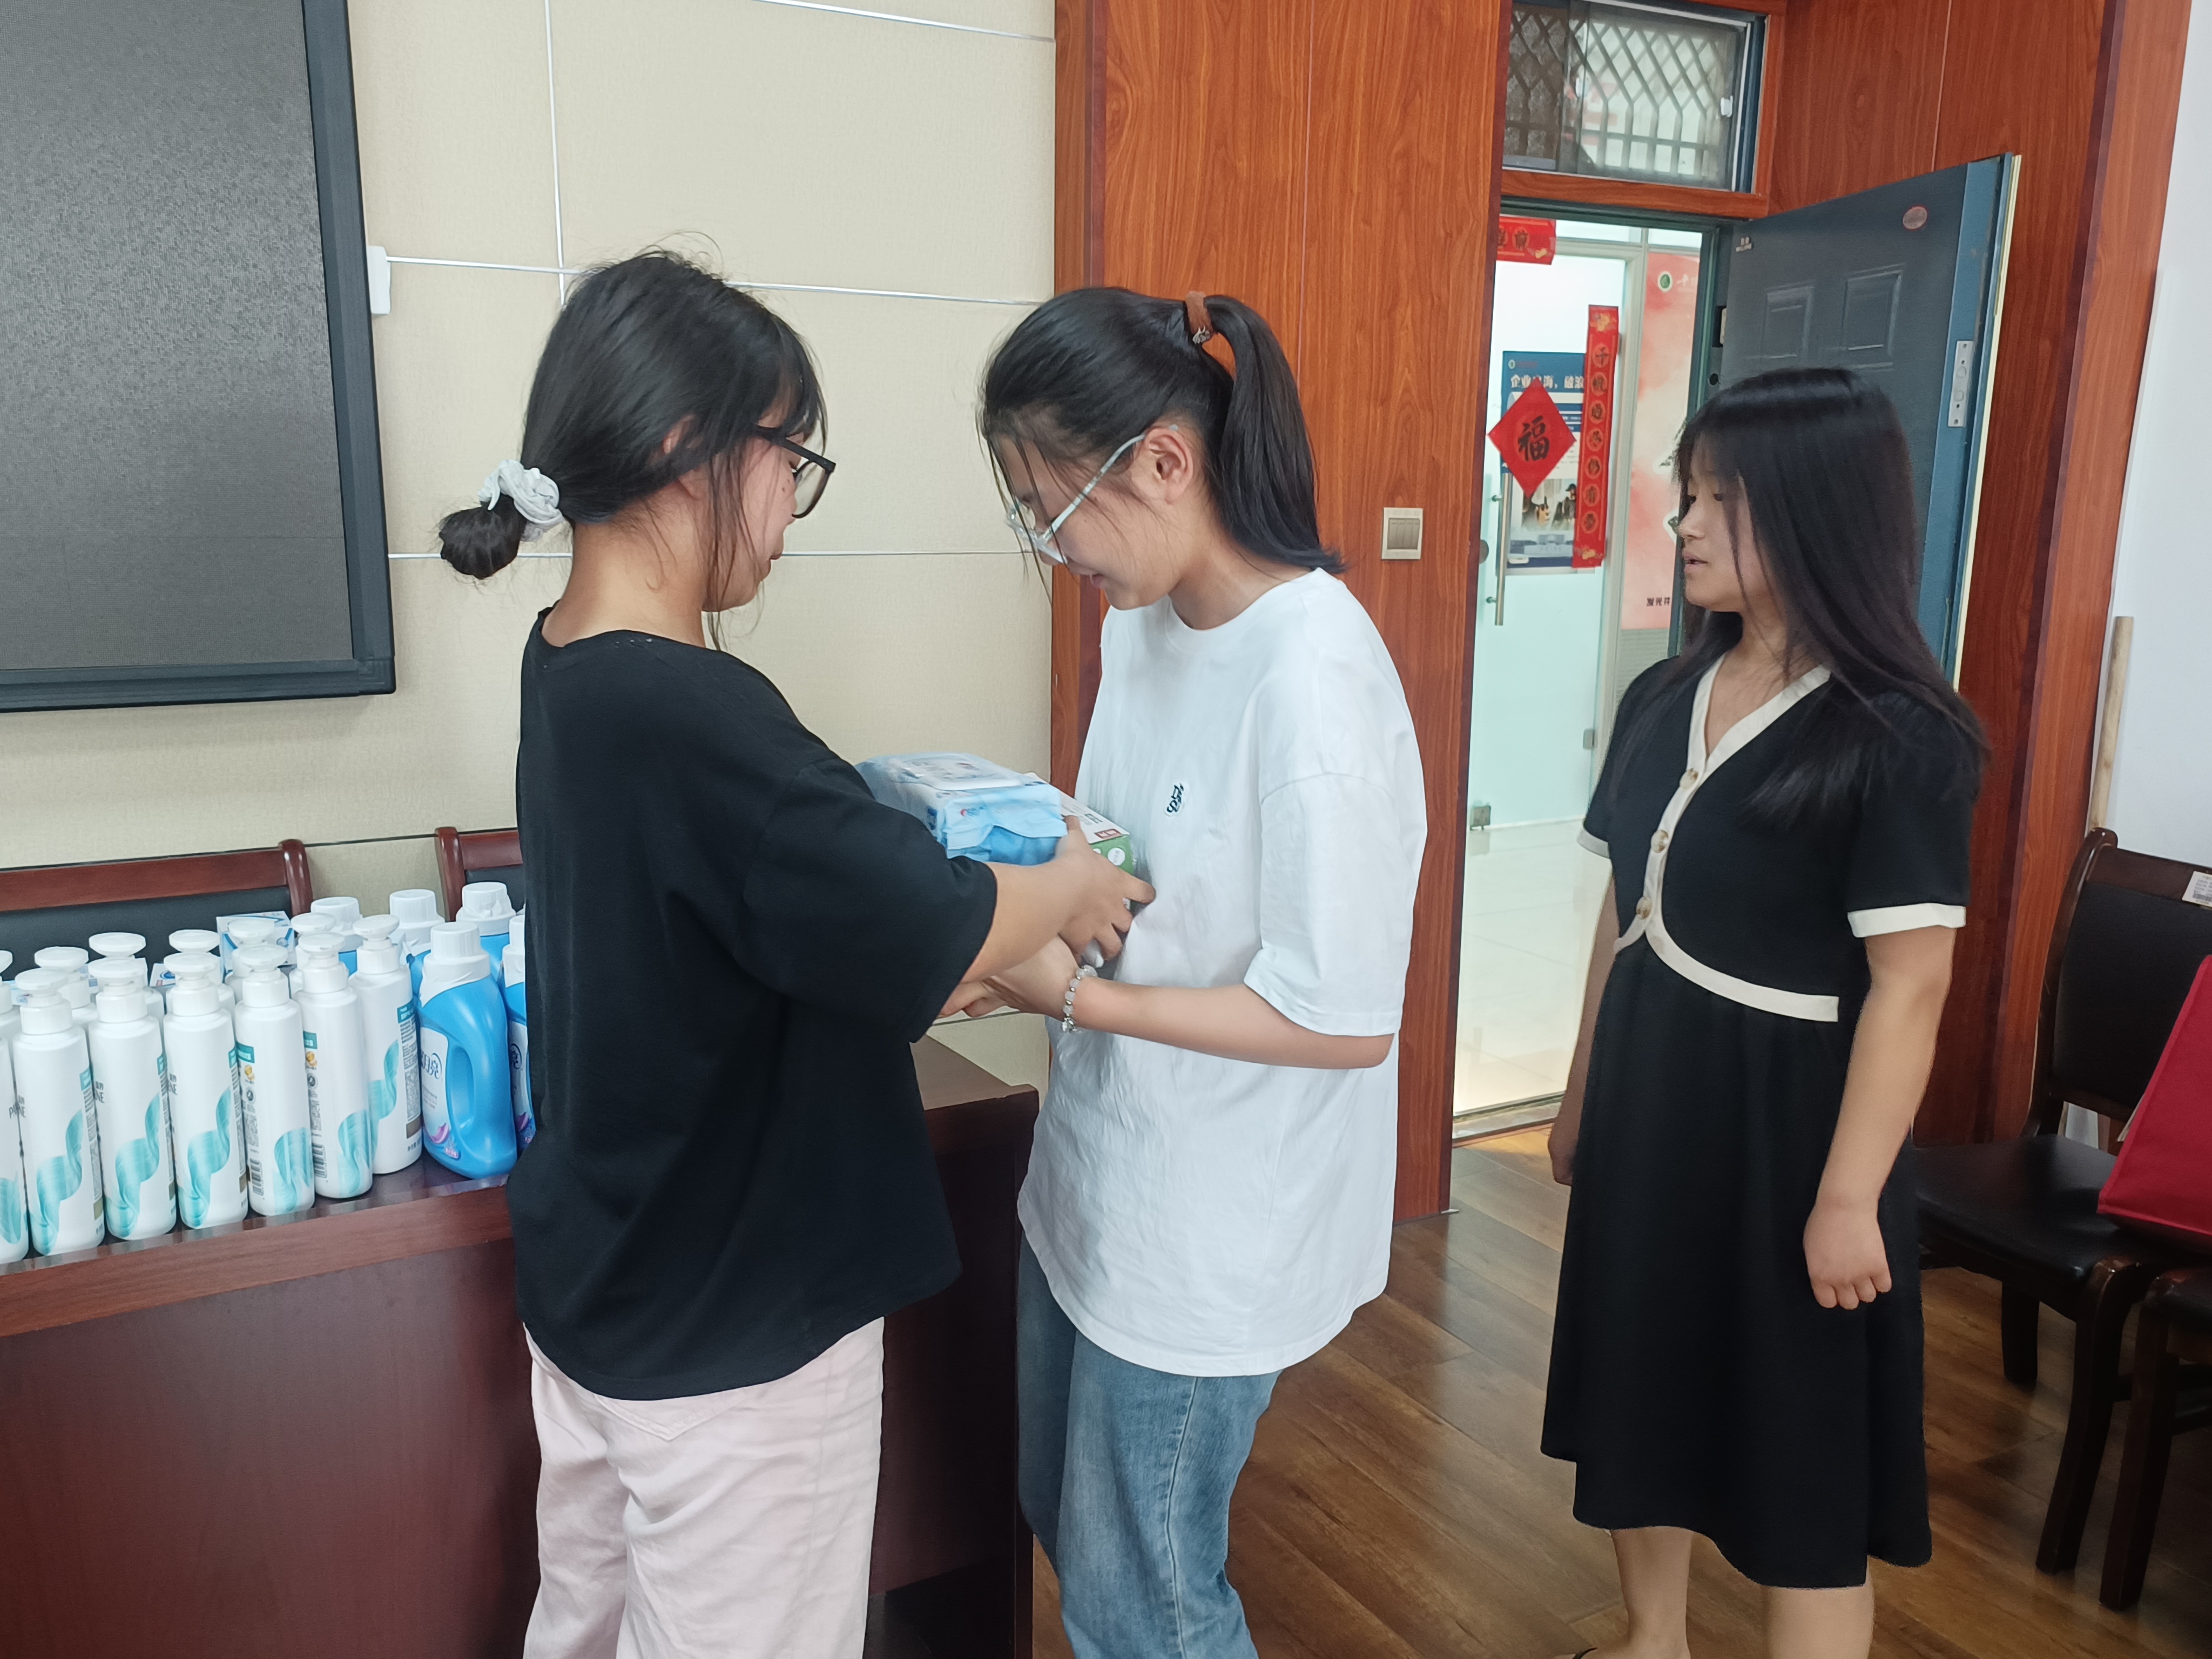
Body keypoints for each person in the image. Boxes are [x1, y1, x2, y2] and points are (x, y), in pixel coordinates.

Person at [435, 251, 1152, 1659]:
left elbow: (732, 926)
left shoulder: (565, 660)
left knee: (586, 1625)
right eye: (789, 460)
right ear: (683, 447)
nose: (788, 508)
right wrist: (1071, 880)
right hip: (734, 1330)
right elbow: (932, 915)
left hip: (611, 1286)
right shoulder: (695, 712)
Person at [961, 287, 1427, 1659]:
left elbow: (1338, 1019)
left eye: (1052, 508)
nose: (1052, 549)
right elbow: (1124, 858)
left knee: (1142, 1599)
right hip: (1098, 1170)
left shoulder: (1315, 680)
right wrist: (1030, 939)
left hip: (1211, 1222)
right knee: (1065, 1520)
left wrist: (1076, 997)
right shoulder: (1142, 626)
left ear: (1164, 461)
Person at [1542, 367, 1984, 1659]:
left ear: (1812, 511)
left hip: (1793, 1135)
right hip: (1651, 1107)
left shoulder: (1898, 734)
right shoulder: (1658, 697)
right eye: (1686, 494)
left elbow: (1911, 986)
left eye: (1716, 501)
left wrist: (1848, 1200)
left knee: (1803, 1465)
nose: (1680, 524)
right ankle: (1653, 1639)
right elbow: (1620, 916)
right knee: (1638, 1396)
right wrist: (1579, 1097)